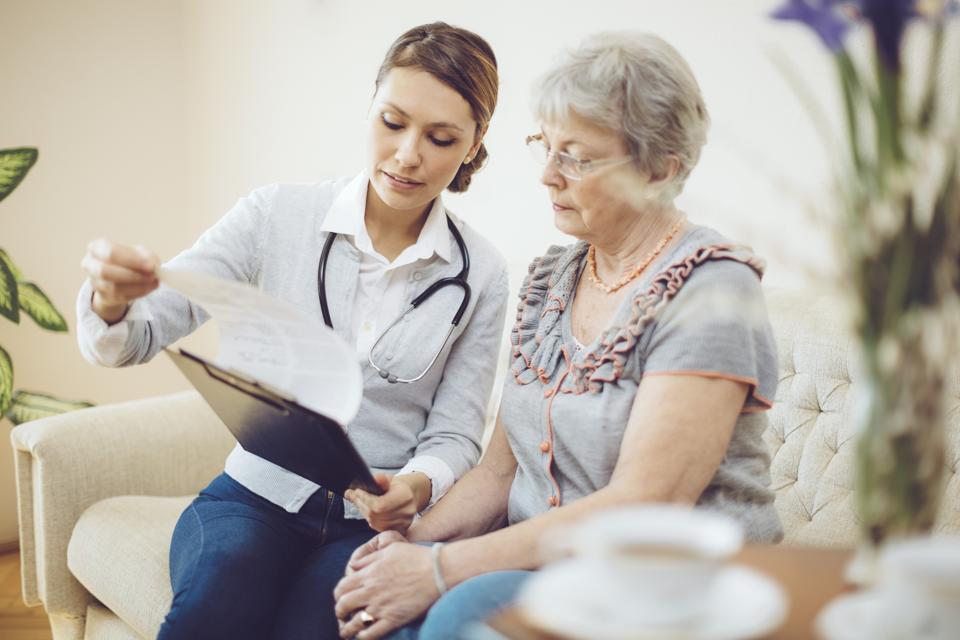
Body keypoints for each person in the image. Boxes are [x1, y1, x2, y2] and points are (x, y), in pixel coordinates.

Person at [333, 31, 783, 640]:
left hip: (663, 581)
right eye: (545, 146)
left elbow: (642, 506)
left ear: (660, 170)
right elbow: (499, 475)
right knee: (351, 595)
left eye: (577, 157)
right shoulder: (555, 278)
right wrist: (403, 545)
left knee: (455, 617)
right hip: (542, 563)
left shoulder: (712, 291)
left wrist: (438, 570)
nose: (547, 175)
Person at [76, 22, 508, 640]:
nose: (409, 154)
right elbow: (137, 336)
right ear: (369, 107)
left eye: (441, 138)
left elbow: (458, 433)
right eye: (392, 122)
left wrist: (415, 485)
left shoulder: (482, 273)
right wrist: (112, 300)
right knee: (215, 608)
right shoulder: (274, 215)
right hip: (251, 500)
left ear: (473, 144)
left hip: (370, 527)